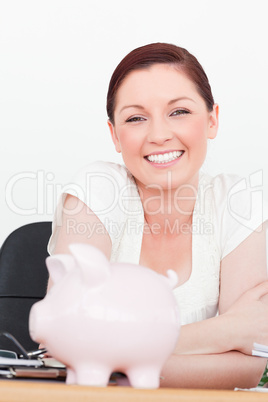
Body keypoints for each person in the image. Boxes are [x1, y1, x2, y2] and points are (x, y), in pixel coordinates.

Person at [47, 42, 268, 389]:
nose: (159, 135)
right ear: (114, 135)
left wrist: (112, 359)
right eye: (136, 118)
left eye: (179, 111)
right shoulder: (98, 188)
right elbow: (61, 346)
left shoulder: (236, 201)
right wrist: (225, 332)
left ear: (212, 120)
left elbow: (252, 365)